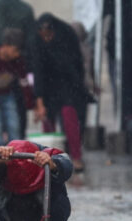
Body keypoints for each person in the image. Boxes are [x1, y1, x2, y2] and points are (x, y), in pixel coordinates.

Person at [33, 13, 90, 172]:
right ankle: (47, 157)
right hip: (47, 86)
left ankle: (76, 157)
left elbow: (75, 67)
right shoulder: (37, 43)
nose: (46, 39)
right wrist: (39, 102)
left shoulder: (66, 36)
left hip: (68, 84)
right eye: (42, 35)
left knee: (69, 117)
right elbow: (38, 70)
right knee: (47, 121)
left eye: (48, 35)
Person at [0, 0, 35, 139]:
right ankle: (18, 147)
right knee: (18, 112)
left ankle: (0, 150)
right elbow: (32, 41)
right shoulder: (26, 9)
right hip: (18, 65)